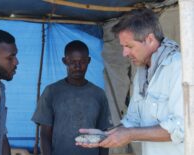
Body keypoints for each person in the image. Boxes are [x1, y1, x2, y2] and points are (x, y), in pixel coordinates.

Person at [76, 9, 184, 155]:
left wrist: (130, 134)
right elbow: (133, 121)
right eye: (122, 47)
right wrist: (104, 135)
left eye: (129, 46)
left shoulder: (180, 67)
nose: (124, 53)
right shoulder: (142, 71)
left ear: (150, 40)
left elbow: (182, 128)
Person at [32, 40, 112, 155]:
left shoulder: (99, 94)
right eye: (72, 62)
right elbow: (44, 134)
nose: (77, 67)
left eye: (82, 62)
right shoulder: (52, 92)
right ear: (65, 61)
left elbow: (103, 134)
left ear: (89, 61)